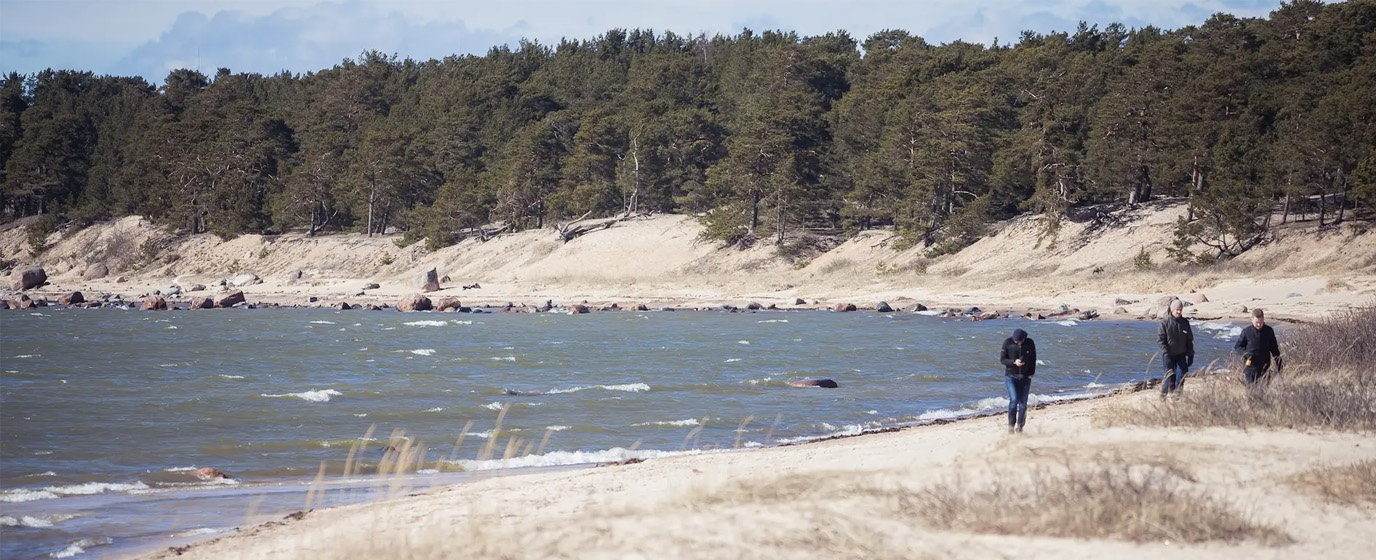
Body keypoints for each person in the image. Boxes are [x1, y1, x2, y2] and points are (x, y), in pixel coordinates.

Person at [999, 328, 1037, 433]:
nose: (1018, 342)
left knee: (1023, 403)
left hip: (1025, 377)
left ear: (1024, 338)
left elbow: (1033, 358)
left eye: (1020, 341)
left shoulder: (1030, 342)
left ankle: (1020, 427)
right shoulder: (1007, 342)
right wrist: (1014, 362)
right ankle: (1011, 426)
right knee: (1014, 400)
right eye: (1017, 341)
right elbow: (1002, 360)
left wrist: (1032, 372)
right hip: (1011, 376)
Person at [1157, 299, 1195, 398]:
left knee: (1181, 376)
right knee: (1169, 377)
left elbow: (1189, 340)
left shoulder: (1185, 323)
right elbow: (1160, 340)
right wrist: (1166, 352)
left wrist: (1190, 355)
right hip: (1168, 355)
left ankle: (1177, 397)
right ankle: (1163, 397)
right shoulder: (1164, 323)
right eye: (1177, 310)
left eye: (1180, 310)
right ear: (1172, 309)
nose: (1179, 312)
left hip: (1181, 355)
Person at [1235, 308, 1282, 383]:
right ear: (1252, 320)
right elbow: (1238, 347)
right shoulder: (1246, 332)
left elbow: (1274, 349)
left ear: (1263, 319)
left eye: (1261, 322)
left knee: (1264, 391)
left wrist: (1279, 365)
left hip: (1265, 368)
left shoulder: (1269, 331)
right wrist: (1247, 354)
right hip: (1250, 368)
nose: (1259, 324)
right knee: (1252, 391)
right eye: (1257, 322)